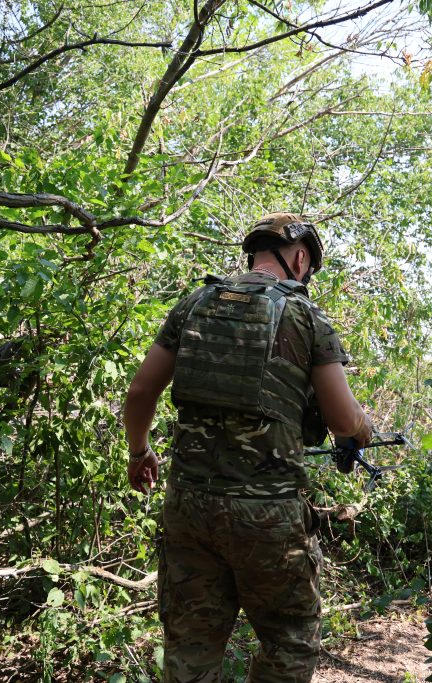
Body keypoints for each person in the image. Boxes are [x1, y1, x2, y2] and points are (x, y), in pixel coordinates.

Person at [123, 212, 372, 683]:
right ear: (301, 258)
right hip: (268, 514)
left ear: (254, 252)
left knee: (190, 643)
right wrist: (362, 429)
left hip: (190, 505)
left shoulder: (194, 303)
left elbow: (140, 393)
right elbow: (342, 417)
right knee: (291, 638)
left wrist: (140, 453)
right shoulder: (306, 314)